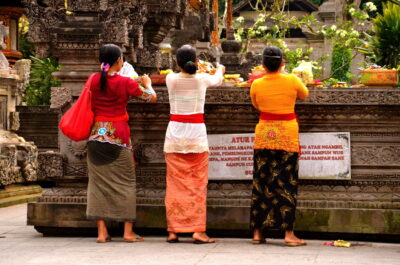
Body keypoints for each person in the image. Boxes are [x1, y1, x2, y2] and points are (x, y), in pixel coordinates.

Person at [86, 44, 157, 243]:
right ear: (118, 61)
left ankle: (102, 233)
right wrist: (147, 83)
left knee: (96, 184)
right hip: (118, 135)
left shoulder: (92, 79)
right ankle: (127, 232)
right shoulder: (126, 82)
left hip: (96, 135)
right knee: (126, 183)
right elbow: (151, 98)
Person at [164, 45, 225, 244]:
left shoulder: (171, 79)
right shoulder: (201, 79)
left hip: (174, 136)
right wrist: (221, 69)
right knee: (197, 185)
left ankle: (173, 230)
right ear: (197, 62)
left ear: (176, 62)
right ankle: (197, 230)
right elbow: (217, 80)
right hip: (196, 137)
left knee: (174, 184)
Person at [249, 46, 309, 246]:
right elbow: (304, 94)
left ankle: (258, 232)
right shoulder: (292, 80)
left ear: (263, 65)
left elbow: (256, 104)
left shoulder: (256, 83)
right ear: (282, 63)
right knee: (286, 183)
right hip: (287, 134)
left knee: (261, 181)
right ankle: (288, 235)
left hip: (265, 133)